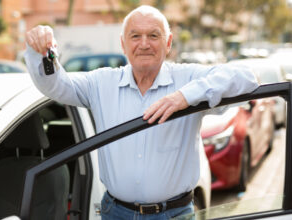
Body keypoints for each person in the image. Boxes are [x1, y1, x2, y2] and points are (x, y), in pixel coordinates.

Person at [24, 5, 258, 220]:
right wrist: (40, 52)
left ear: (168, 43)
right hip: (115, 213)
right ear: (123, 44)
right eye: (135, 36)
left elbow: (246, 78)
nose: (144, 44)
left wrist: (185, 97)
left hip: (175, 215)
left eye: (154, 36)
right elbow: (56, 86)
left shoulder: (188, 78)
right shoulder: (102, 83)